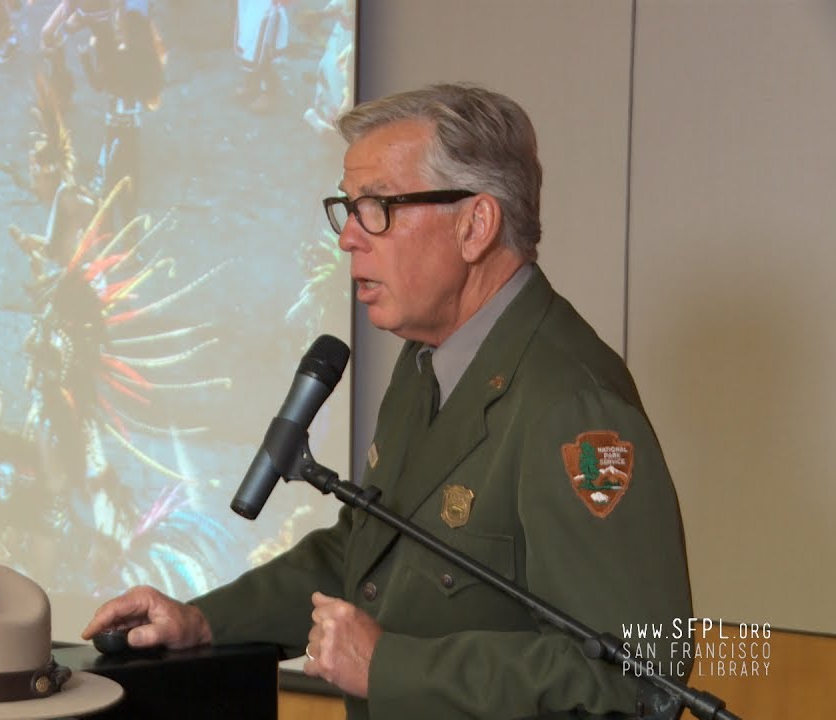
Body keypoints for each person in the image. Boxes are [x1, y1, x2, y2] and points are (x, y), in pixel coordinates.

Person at [83, 84, 693, 719]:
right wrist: (205, 621)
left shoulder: (572, 405)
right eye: (347, 208)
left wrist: (391, 667)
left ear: (475, 225)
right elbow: (367, 550)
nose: (349, 236)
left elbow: (640, 679)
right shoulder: (428, 360)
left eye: (376, 208)